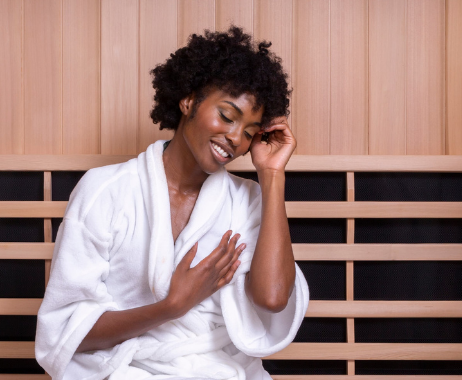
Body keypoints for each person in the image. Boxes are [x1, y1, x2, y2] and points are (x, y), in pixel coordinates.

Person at [34, 26, 308, 380]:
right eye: (227, 116)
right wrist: (172, 306)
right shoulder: (106, 190)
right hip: (124, 369)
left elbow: (272, 299)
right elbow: (67, 333)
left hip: (218, 369)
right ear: (188, 100)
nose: (236, 139)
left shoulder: (247, 201)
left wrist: (271, 175)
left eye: (251, 132)